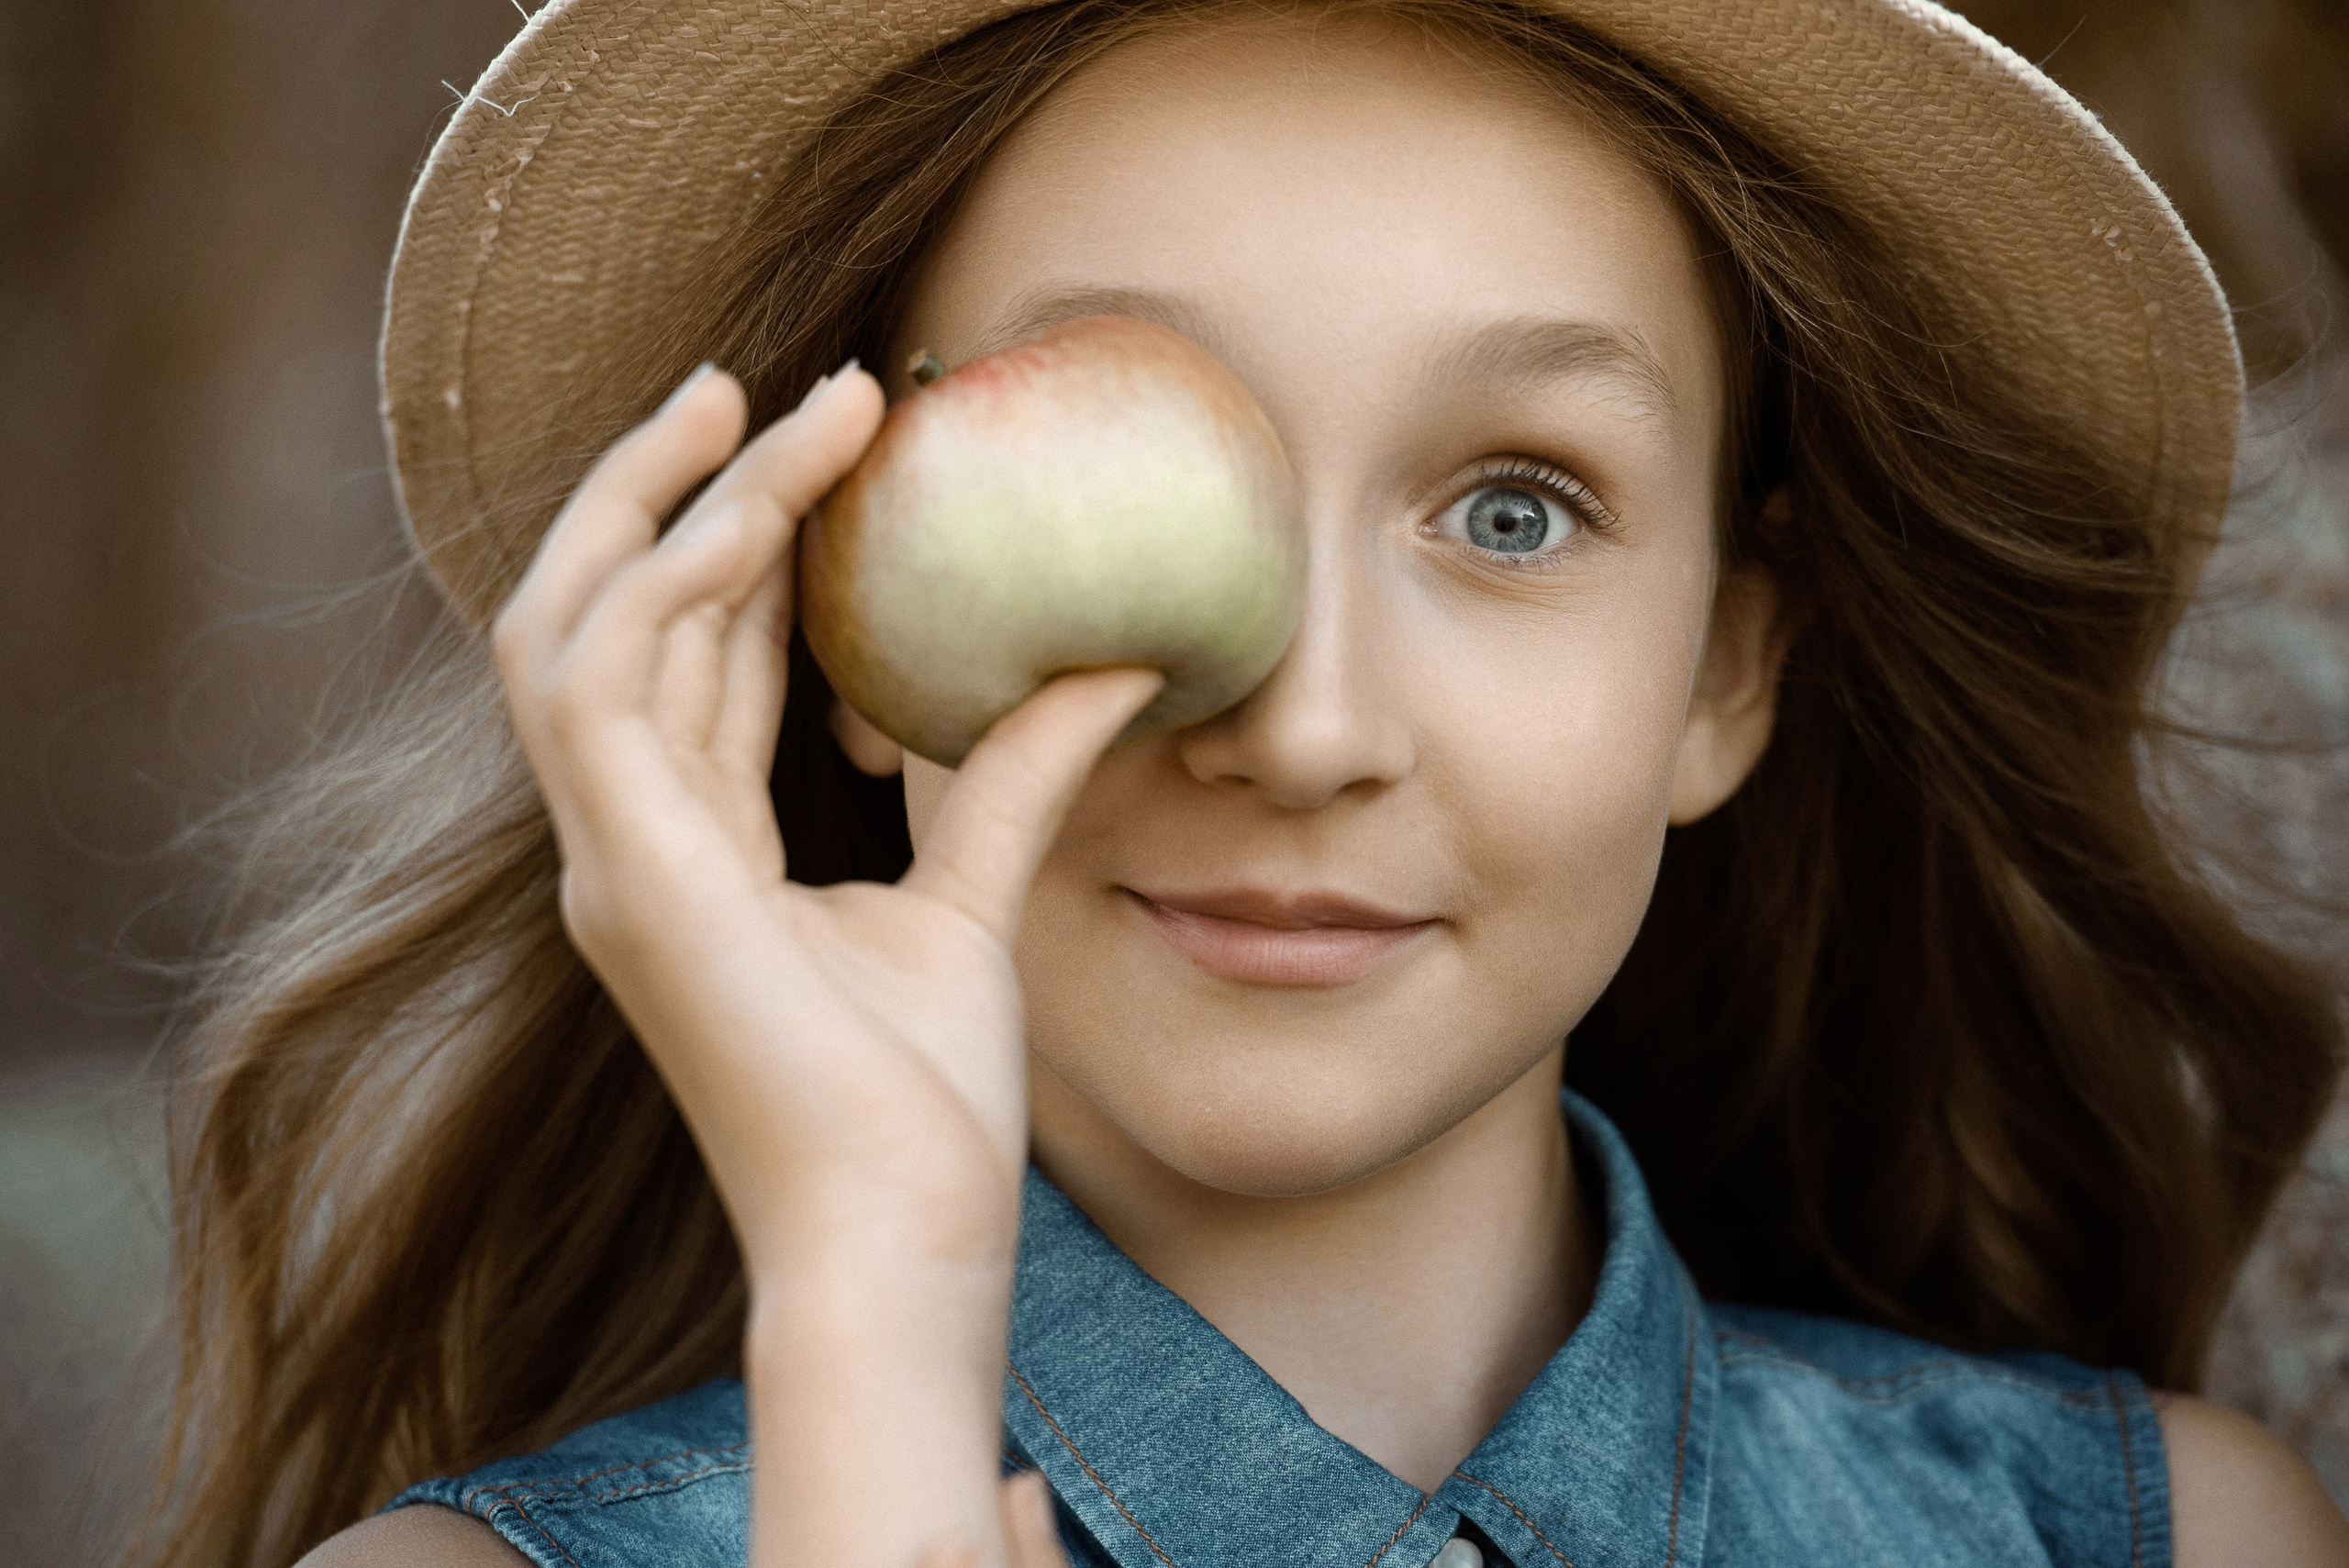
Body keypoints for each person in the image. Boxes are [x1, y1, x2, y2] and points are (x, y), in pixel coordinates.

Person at [134, 0, 2349, 1564]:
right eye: (1111, 498)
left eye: (1511, 510)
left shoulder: (2149, 1543)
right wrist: (869, 1323)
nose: (1299, 727)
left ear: (1723, 667)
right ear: (829, 612)